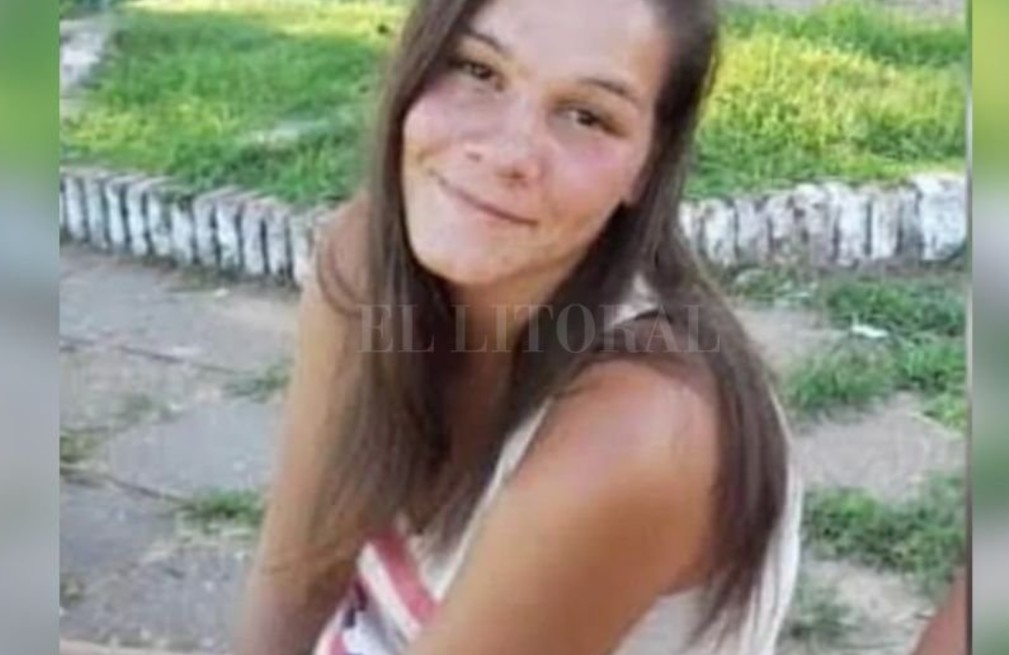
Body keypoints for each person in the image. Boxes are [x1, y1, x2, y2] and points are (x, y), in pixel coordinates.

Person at [234, 0, 800, 653]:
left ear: (648, 165)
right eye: (477, 70)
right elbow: (297, 578)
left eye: (586, 116)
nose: (507, 153)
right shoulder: (365, 262)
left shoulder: (643, 431)